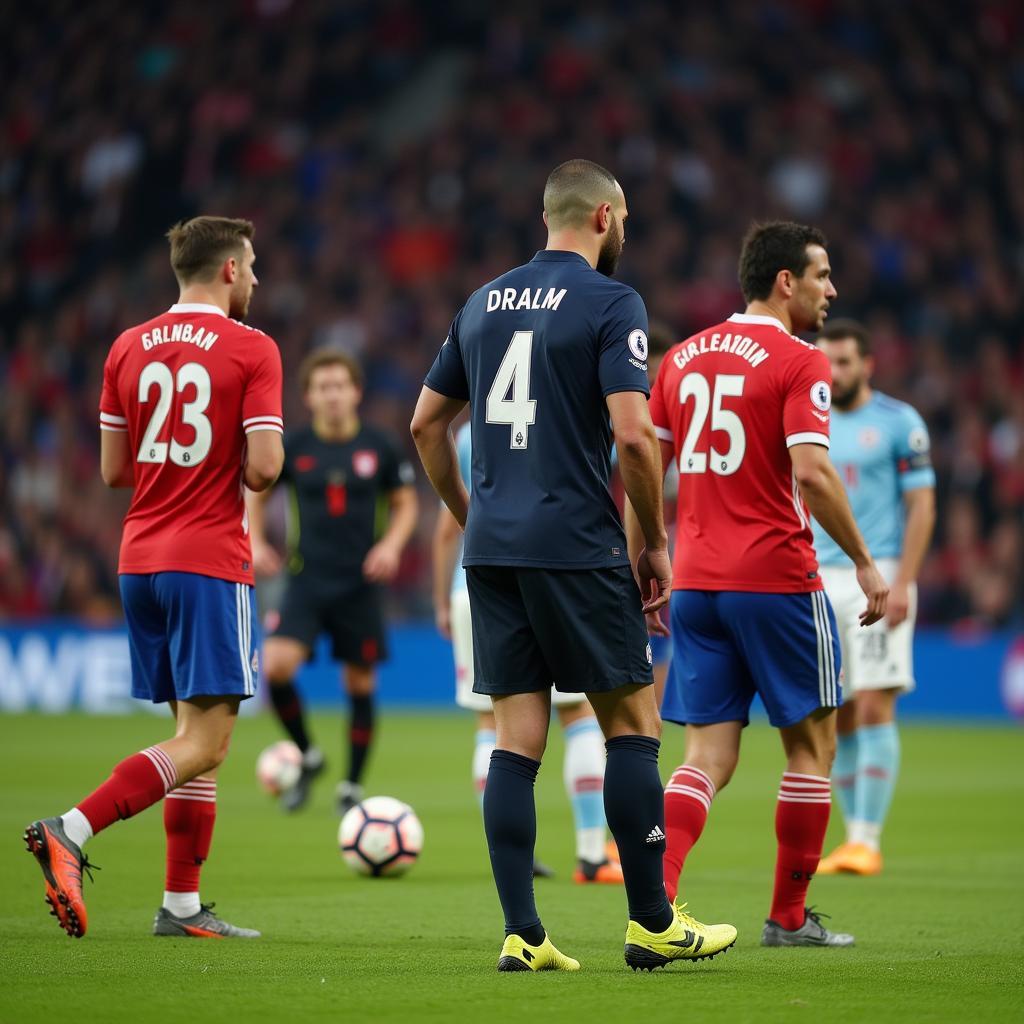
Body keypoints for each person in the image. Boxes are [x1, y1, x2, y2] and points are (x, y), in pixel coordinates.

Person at [411, 158, 736, 973]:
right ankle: (652, 922)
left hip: (493, 554)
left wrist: (470, 513)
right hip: (575, 544)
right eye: (623, 219)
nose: (625, 232)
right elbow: (633, 435)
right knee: (633, 725)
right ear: (601, 217)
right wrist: (652, 543)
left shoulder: (482, 301)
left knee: (515, 740)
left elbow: (424, 427)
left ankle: (524, 933)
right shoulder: (610, 300)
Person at [24, 216, 284, 939]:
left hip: (140, 558)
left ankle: (179, 906)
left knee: (188, 732)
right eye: (253, 266)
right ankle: (70, 829)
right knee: (206, 741)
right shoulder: (252, 348)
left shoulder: (126, 345)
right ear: (229, 270)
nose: (257, 279)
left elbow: (114, 472)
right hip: (207, 559)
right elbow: (264, 469)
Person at [646, 221, 888, 948]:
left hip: (695, 582)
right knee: (812, 750)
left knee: (704, 757)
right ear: (786, 281)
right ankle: (787, 918)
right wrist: (866, 560)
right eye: (822, 275)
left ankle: (654, 905)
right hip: (778, 579)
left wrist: (648, 556)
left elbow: (641, 474)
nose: (831, 290)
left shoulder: (681, 358)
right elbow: (812, 473)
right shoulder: (798, 360)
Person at [433, 420, 624, 884]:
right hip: (554, 573)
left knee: (493, 726)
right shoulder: (568, 413)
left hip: (476, 581)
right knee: (578, 714)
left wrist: (441, 599)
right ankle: (591, 853)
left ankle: (507, 855)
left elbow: (445, 529)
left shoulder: (468, 432)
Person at [248, 349, 418, 815]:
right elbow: (256, 491)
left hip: (360, 583)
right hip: (305, 577)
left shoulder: (379, 446)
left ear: (356, 392)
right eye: (323, 388)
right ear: (308, 396)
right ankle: (309, 752)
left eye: (340, 386)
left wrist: (391, 547)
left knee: (358, 684)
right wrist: (257, 540)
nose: (332, 395)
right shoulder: (296, 447)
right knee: (277, 666)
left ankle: (351, 786)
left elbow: (406, 503)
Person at [813, 320, 936, 876]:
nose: (833, 372)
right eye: (826, 362)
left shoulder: (899, 422)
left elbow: (923, 506)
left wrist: (905, 578)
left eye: (843, 362)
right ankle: (851, 837)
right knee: (834, 711)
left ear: (867, 365)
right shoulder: (807, 417)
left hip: (879, 573)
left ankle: (868, 837)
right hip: (816, 576)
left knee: (874, 702)